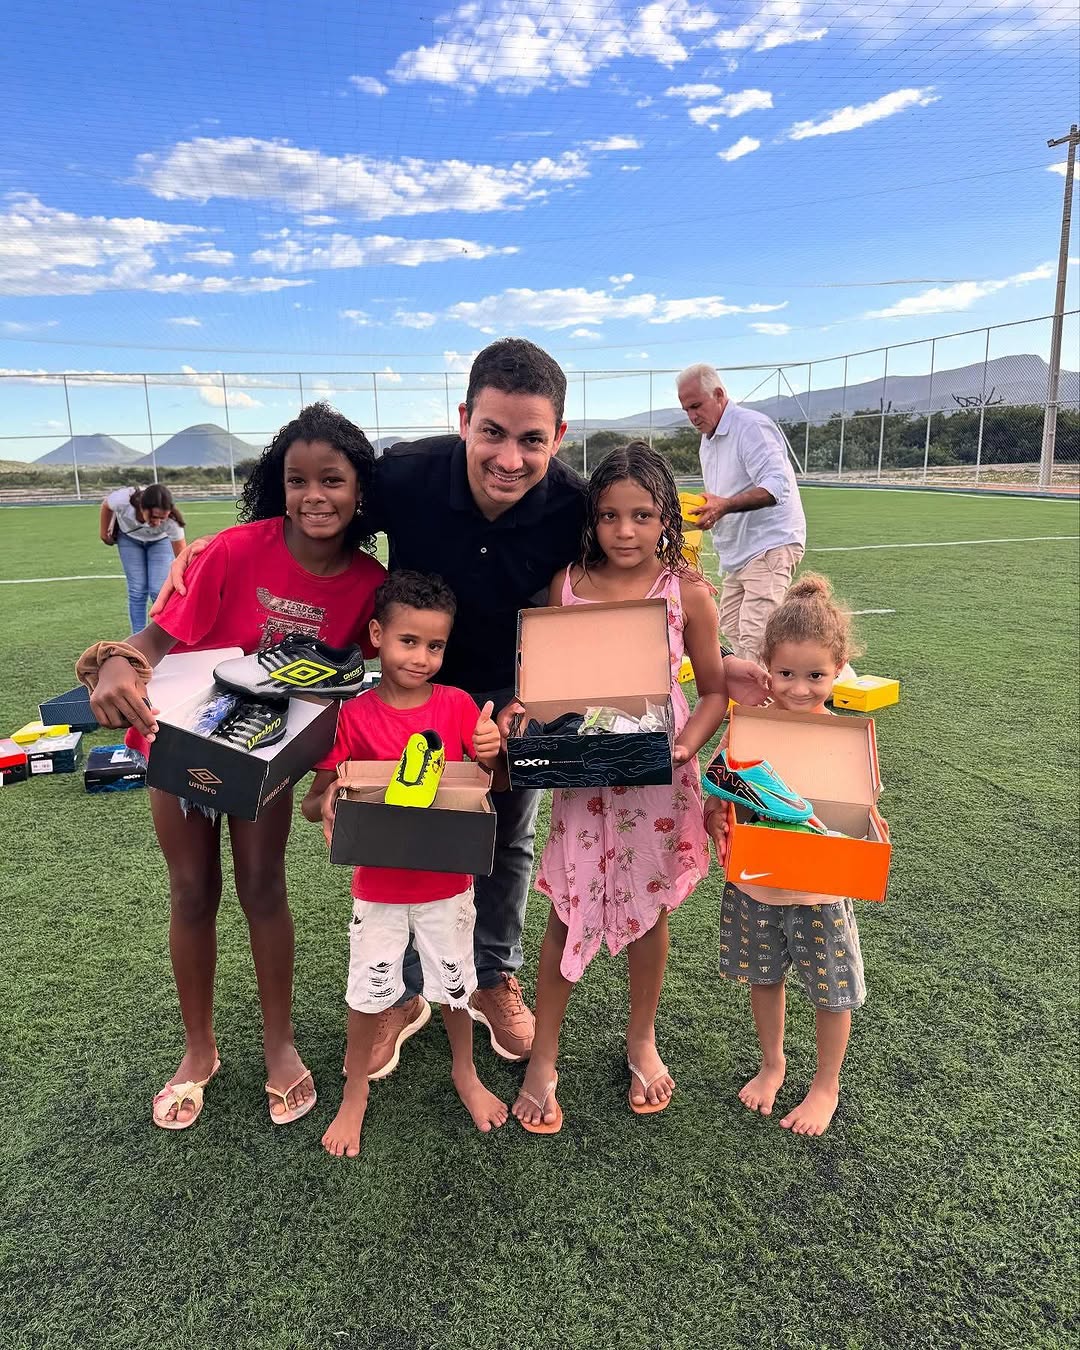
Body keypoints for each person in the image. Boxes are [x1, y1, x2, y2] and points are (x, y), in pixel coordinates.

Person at [155, 339, 771, 1078]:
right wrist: (214, 554)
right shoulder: (404, 475)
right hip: (413, 688)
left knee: (506, 835)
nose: (510, 458)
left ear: (558, 437)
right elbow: (321, 512)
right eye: (492, 433)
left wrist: (710, 657)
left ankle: (491, 975)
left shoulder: (577, 504)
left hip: (517, 695)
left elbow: (626, 585)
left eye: (531, 439)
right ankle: (408, 989)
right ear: (463, 420)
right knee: (407, 824)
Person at [78, 403, 386, 1131]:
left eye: (332, 480)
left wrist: (331, 771)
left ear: (359, 491)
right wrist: (117, 665)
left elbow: (358, 683)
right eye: (297, 480)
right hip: (181, 741)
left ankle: (279, 1044)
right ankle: (199, 1050)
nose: (314, 496)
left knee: (262, 884)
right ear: (279, 485)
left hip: (264, 756)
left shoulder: (370, 583)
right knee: (191, 890)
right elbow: (153, 642)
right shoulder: (230, 551)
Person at [511, 443, 729, 1132]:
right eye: (609, 516)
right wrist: (527, 714)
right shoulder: (567, 584)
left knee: (650, 907)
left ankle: (642, 1039)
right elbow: (546, 688)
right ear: (592, 519)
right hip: (584, 778)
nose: (625, 531)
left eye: (642, 515)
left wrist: (685, 745)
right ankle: (545, 1056)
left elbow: (715, 691)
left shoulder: (687, 592)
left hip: (657, 781)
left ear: (667, 517)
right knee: (566, 906)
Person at [302, 570, 508, 1158]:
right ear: (377, 636)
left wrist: (492, 753)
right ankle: (355, 1091)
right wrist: (331, 798)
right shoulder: (353, 716)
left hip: (448, 885)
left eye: (435, 645)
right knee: (368, 990)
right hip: (379, 889)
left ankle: (465, 1072)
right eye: (408, 641)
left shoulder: (458, 705)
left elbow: (488, 787)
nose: (421, 657)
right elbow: (314, 805)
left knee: (455, 985)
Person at [704, 573, 866, 1137]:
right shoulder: (748, 726)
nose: (799, 689)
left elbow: (857, 808)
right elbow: (723, 785)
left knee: (832, 991)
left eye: (816, 675)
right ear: (767, 668)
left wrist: (869, 826)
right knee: (764, 977)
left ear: (839, 668)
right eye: (787, 674)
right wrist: (715, 812)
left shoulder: (844, 737)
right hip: (757, 881)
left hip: (820, 887)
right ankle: (772, 1063)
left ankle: (826, 1084)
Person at [677, 363, 806, 665]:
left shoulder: (751, 427)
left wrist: (723, 505)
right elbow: (722, 495)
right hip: (738, 553)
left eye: (696, 406)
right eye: (686, 410)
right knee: (732, 626)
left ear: (719, 394)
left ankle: (765, 700)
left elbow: (776, 486)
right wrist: (706, 511)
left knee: (754, 637)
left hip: (769, 544)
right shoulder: (707, 441)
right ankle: (826, 667)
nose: (692, 416)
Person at [100, 483, 187, 634]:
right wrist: (103, 533)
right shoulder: (123, 500)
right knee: (137, 590)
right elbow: (106, 505)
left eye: (162, 518)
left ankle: (166, 634)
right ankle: (137, 637)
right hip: (129, 540)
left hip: (160, 542)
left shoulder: (173, 522)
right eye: (154, 517)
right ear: (142, 507)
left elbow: (182, 557)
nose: (157, 522)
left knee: (158, 590)